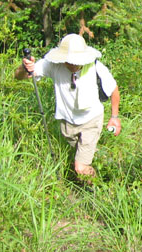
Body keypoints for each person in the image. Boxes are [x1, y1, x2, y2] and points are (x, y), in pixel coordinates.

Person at [14, 34, 120, 177]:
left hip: (91, 119)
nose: (72, 64)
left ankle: (94, 188)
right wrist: (25, 67)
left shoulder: (96, 67)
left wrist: (114, 117)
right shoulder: (53, 65)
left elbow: (113, 89)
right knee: (82, 153)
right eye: (69, 60)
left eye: (76, 60)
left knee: (80, 167)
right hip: (67, 122)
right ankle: (106, 164)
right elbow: (19, 76)